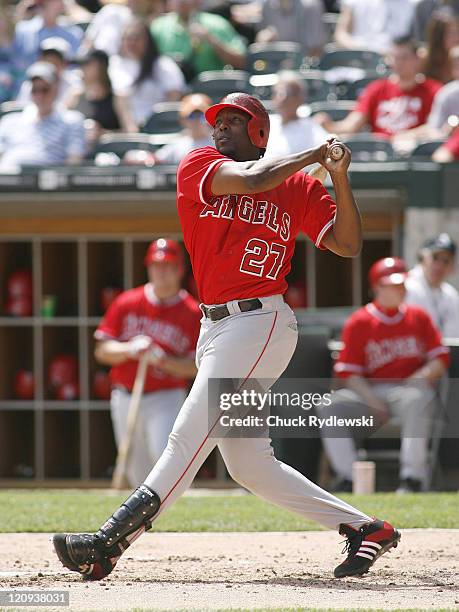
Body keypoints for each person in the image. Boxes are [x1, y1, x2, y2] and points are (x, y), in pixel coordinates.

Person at [53, 92, 401, 583]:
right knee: (248, 463)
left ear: (259, 133)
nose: (221, 129)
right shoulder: (198, 163)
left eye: (236, 122)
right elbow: (256, 179)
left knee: (186, 435)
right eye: (219, 121)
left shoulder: (300, 188)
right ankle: (366, 528)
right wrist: (315, 154)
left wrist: (338, 177)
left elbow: (347, 243)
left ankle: (110, 542)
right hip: (215, 325)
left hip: (259, 322)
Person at [321, 257, 450, 494]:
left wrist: (422, 375)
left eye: (403, 284)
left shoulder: (418, 317)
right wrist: (372, 400)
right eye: (394, 284)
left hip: (407, 391)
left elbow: (440, 358)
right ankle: (351, 477)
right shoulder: (360, 321)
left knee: (418, 398)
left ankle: (413, 478)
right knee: (329, 405)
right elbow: (348, 373)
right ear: (378, 287)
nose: (401, 289)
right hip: (369, 394)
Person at [94, 239, 201, 487]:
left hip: (166, 397)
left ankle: (173, 512)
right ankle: (146, 522)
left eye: (167, 266)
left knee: (164, 456)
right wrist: (128, 349)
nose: (160, 272)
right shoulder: (127, 302)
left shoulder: (193, 311)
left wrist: (164, 361)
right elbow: (102, 350)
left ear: (179, 270)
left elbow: (197, 367)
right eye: (155, 266)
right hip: (124, 395)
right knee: (134, 468)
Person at [316, 37, 442, 138]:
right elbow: (352, 125)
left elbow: (437, 125)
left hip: (414, 154)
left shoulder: (433, 90)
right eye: (395, 57)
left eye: (405, 58)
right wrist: (329, 125)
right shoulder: (376, 89)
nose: (399, 63)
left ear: (416, 59)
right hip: (381, 152)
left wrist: (408, 136)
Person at [0, 62, 86, 171]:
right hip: (7, 182)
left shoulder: (72, 121)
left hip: (48, 182)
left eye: (45, 90)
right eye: (35, 90)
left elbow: (74, 162)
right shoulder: (9, 120)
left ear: (56, 89)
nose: (39, 96)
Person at [109, 17, 185, 132]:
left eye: (135, 38)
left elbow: (174, 96)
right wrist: (132, 131)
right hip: (134, 128)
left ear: (147, 40)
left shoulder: (163, 65)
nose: (131, 43)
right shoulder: (117, 64)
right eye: (126, 39)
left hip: (162, 127)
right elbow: (121, 100)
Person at [151, 0, 246, 81]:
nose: (182, 2)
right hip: (171, 90)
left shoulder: (217, 24)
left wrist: (211, 40)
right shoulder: (158, 26)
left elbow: (241, 62)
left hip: (209, 90)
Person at [264, 71, 329, 158]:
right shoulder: (265, 123)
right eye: (276, 93)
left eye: (287, 93)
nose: (281, 98)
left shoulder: (312, 128)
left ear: (300, 98)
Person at [405, 233, 459, 337]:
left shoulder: (451, 294)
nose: (439, 265)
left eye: (446, 261)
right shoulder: (407, 286)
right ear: (422, 258)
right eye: (435, 258)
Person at [12, 0, 84, 75]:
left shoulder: (74, 33)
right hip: (28, 82)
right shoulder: (22, 30)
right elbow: (16, 63)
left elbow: (75, 66)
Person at [67, 49, 121, 140]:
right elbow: (62, 126)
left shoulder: (118, 98)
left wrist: (102, 133)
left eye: (87, 64)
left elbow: (130, 131)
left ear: (101, 67)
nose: (82, 69)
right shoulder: (75, 95)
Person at [16, 37, 82, 108]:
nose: (50, 66)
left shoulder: (74, 83)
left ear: (65, 64)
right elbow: (23, 111)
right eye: (47, 61)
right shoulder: (31, 84)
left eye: (55, 62)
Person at [334, 0, 415, 54]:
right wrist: (362, 51)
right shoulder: (354, 2)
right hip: (359, 62)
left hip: (398, 62)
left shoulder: (413, 4)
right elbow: (341, 34)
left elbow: (415, 42)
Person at [154, 93, 213, 165]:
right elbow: (156, 159)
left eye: (201, 115)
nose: (196, 120)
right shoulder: (177, 144)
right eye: (192, 116)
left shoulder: (219, 143)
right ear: (183, 120)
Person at [255, 0, 325, 58]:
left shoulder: (311, 6)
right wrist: (263, 41)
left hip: (305, 67)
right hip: (275, 65)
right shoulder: (267, 5)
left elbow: (315, 51)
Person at [422, 9, 459, 84]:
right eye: (450, 34)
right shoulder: (423, 60)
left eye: (457, 32)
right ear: (438, 37)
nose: (456, 38)